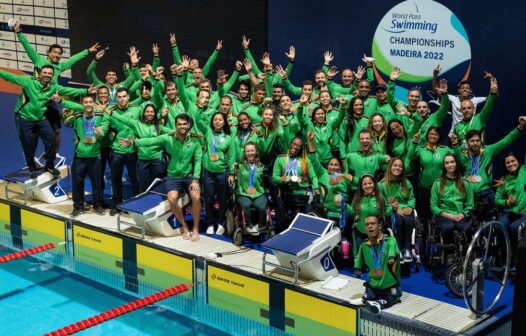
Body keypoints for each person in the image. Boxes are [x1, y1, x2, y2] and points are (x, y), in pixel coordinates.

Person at [13, 20, 100, 152]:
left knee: (57, 131)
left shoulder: (60, 66)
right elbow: (27, 47)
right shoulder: (38, 60)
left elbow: (73, 59)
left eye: (60, 54)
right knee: (34, 133)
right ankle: (31, 158)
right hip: (35, 100)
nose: (57, 55)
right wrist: (19, 32)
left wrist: (88, 51)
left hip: (50, 99)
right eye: (55, 52)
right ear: (49, 52)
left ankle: (55, 155)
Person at [121, 114, 203, 241]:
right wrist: (133, 142)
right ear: (175, 126)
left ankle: (196, 228)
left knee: (196, 197)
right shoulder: (168, 138)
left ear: (188, 125)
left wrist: (196, 179)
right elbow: (151, 141)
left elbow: (198, 160)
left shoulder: (195, 140)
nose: (182, 126)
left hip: (189, 176)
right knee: (172, 198)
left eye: (184, 124)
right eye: (179, 124)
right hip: (172, 176)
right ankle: (185, 226)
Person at [0, 65, 92, 178]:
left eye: (49, 73)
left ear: (52, 76)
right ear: (40, 73)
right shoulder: (28, 81)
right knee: (27, 143)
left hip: (40, 118)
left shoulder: (53, 87)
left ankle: (49, 165)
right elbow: (9, 76)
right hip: (24, 117)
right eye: (45, 72)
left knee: (51, 138)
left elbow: (68, 90)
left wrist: (86, 90)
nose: (47, 75)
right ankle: (31, 167)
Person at [455, 117, 525, 219]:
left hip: (486, 193)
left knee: (491, 222)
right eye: (472, 141)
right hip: (469, 194)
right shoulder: (462, 156)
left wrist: (520, 127)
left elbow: (505, 141)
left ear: (481, 141)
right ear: (467, 142)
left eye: (477, 140)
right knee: (469, 224)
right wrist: (454, 145)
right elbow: (453, 164)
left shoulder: (488, 151)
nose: (475, 143)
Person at [106, 103, 171, 193]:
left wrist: (189, 133)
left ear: (155, 114)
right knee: (143, 187)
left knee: (156, 186)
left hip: (156, 160)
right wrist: (108, 111)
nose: (150, 113)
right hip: (142, 160)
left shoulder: (159, 126)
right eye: (147, 111)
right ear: (144, 113)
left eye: (152, 112)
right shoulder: (136, 124)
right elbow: (122, 119)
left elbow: (173, 132)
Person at [99, 87, 142, 215]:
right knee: (115, 179)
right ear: (116, 98)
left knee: (135, 179)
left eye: (124, 96)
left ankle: (137, 204)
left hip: (133, 150)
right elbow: (104, 127)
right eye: (119, 97)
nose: (122, 99)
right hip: (117, 151)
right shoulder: (110, 112)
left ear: (128, 97)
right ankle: (116, 204)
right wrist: (99, 132)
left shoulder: (137, 108)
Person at [351, 215, 402, 315]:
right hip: (374, 286)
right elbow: (359, 258)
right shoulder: (364, 245)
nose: (370, 226)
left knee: (391, 297)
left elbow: (393, 248)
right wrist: (358, 268)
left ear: (379, 226)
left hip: (389, 287)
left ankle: (378, 304)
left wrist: (391, 257)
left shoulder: (390, 241)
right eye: (367, 224)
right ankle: (366, 299)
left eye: (372, 224)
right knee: (370, 289)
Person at [64, 95, 106, 217]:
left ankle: (97, 204)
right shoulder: (77, 116)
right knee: (77, 182)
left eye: (90, 102)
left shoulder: (100, 116)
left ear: (94, 103)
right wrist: (61, 100)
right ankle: (78, 206)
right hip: (80, 155)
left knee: (97, 182)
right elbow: (67, 117)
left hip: (95, 155)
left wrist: (100, 133)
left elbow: (104, 129)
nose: (88, 104)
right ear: (82, 104)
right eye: (85, 102)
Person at [407, 127, 453, 222]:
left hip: (441, 187)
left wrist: (456, 144)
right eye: (431, 134)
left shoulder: (445, 150)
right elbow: (410, 155)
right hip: (425, 186)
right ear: (427, 136)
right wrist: (414, 141)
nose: (433, 136)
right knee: (425, 213)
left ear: (439, 136)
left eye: (436, 134)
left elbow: (457, 157)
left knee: (441, 213)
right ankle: (425, 234)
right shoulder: (421, 149)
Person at [272, 137, 320, 228]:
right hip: (287, 191)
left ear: (301, 148)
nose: (295, 147)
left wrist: (316, 188)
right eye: (294, 144)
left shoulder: (305, 160)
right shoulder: (280, 159)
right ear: (290, 144)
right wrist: (288, 178)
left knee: (312, 197)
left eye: (298, 146)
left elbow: (313, 177)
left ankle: (306, 222)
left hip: (303, 190)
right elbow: (274, 178)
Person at [379, 158, 416, 262]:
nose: (397, 168)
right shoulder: (381, 185)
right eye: (395, 165)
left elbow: (412, 198)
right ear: (390, 167)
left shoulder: (406, 183)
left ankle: (408, 249)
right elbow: (380, 202)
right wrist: (393, 208)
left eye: (400, 166)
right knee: (398, 220)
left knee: (409, 220)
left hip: (405, 208)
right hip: (391, 210)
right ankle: (398, 249)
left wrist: (410, 206)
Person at [430, 154, 474, 243]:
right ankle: (448, 254)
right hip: (444, 215)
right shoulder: (437, 183)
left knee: (466, 228)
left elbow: (470, 204)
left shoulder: (466, 183)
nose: (450, 165)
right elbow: (433, 206)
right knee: (447, 227)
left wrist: (463, 214)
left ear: (456, 163)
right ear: (444, 166)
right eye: (447, 163)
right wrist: (445, 214)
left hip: (460, 215)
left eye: (452, 162)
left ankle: (466, 253)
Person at [349, 174, 392, 255]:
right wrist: (344, 206)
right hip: (361, 231)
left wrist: (393, 208)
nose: (368, 186)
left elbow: (387, 213)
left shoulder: (380, 198)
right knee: (360, 254)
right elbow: (352, 211)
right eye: (364, 184)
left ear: (374, 184)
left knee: (376, 256)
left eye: (370, 183)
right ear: (361, 186)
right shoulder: (357, 198)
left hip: (376, 233)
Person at [495, 153, 526, 256]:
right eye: (507, 163)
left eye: (513, 161)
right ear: (505, 165)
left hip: (524, 212)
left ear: (518, 161)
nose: (511, 164)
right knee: (499, 226)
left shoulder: (524, 170)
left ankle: (518, 259)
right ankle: (506, 256)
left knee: (514, 228)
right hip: (512, 212)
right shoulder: (503, 180)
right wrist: (506, 202)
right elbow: (497, 199)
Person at [235, 142, 267, 235]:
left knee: (262, 207)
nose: (250, 153)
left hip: (258, 193)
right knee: (246, 205)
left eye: (252, 150)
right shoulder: (240, 165)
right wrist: (232, 174)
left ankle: (261, 225)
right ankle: (249, 226)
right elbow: (232, 172)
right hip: (244, 193)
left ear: (256, 151)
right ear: (244, 153)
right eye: (247, 151)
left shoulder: (261, 165)